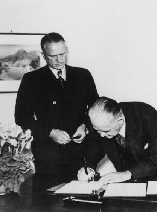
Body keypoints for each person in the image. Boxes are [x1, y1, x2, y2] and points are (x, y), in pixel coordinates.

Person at [14, 32, 99, 188]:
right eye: (53, 56)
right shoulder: (31, 80)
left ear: (66, 50)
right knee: (49, 203)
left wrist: (85, 126)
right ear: (43, 55)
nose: (59, 60)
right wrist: (50, 132)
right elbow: (21, 117)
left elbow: (96, 109)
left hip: (80, 153)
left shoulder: (83, 75)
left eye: (62, 54)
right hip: (48, 157)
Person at [77, 97, 157, 184]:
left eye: (106, 131)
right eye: (97, 130)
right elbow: (93, 151)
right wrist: (88, 169)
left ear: (120, 120)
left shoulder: (145, 114)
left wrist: (128, 174)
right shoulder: (99, 123)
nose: (101, 135)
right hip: (139, 170)